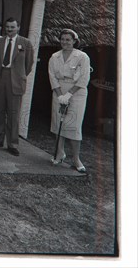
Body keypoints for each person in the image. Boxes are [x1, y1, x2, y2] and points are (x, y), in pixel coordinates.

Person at [0, 17, 34, 157]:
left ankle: (13, 144)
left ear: (18, 27)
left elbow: (29, 65)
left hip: (15, 81)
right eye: (7, 27)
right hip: (0, 79)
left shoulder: (26, 43)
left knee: (13, 114)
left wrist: (19, 76)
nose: (9, 29)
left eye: (12, 27)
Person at [48, 29, 91, 173]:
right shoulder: (55, 56)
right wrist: (60, 95)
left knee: (73, 125)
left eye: (68, 39)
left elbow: (84, 79)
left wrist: (68, 95)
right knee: (57, 123)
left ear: (74, 41)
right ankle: (60, 153)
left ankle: (76, 159)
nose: (65, 42)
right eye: (62, 39)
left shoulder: (82, 57)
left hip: (77, 93)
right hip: (59, 90)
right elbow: (52, 77)